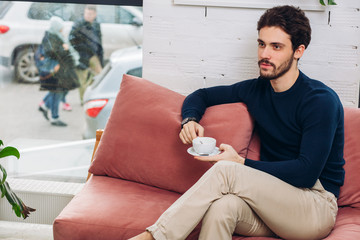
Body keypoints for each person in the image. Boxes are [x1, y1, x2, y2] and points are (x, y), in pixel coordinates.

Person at [130, 5, 345, 240]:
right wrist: (189, 119)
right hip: (273, 204)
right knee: (223, 207)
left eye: (276, 47)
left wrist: (239, 162)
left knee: (227, 170)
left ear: (298, 51)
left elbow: (305, 173)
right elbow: (202, 95)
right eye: (262, 44)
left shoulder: (320, 100)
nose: (265, 54)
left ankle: (154, 237)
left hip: (314, 207)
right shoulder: (256, 90)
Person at [38, 16, 80, 127]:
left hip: (63, 69)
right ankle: (54, 117)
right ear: (56, 28)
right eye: (60, 28)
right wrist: (64, 48)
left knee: (60, 91)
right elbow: (51, 52)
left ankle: (45, 106)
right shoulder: (50, 37)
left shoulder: (56, 35)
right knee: (57, 92)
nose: (62, 30)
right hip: (57, 71)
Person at [69, 4, 104, 105]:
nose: (88, 15)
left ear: (95, 14)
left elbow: (99, 41)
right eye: (87, 13)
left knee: (100, 76)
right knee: (82, 81)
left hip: (93, 55)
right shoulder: (78, 24)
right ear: (84, 12)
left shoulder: (96, 25)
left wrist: (99, 55)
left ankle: (94, 96)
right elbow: (71, 40)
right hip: (81, 56)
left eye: (90, 14)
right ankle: (84, 101)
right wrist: (80, 52)